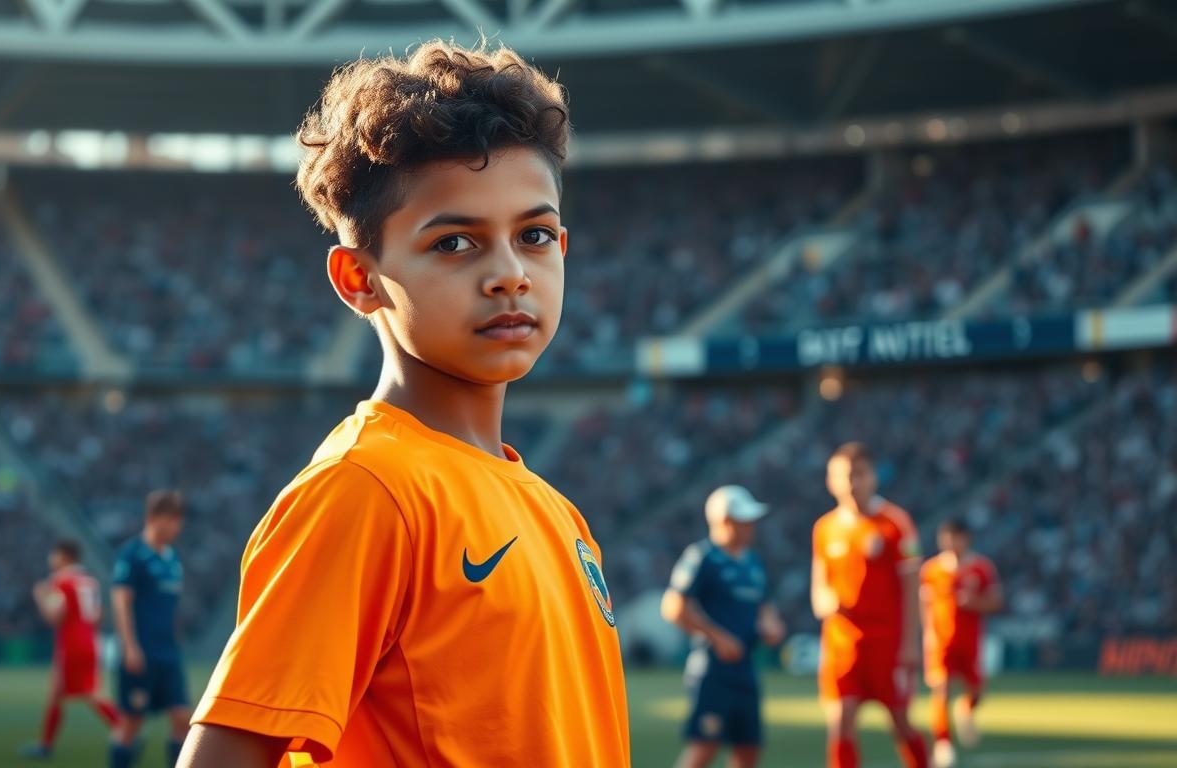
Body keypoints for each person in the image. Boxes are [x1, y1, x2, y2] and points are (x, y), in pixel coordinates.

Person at [179, 39, 630, 767]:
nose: (510, 274)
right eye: (455, 243)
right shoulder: (366, 490)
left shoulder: (554, 508)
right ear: (358, 278)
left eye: (535, 235)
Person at [811, 442, 928, 768]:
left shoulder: (895, 523)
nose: (851, 483)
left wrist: (909, 644)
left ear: (872, 477)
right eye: (843, 475)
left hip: (886, 643)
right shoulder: (824, 528)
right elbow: (819, 587)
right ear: (830, 481)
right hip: (842, 643)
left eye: (858, 474)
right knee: (841, 721)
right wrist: (825, 602)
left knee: (900, 722)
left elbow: (911, 586)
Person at [662, 485, 786, 768]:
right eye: (744, 520)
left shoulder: (753, 561)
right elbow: (673, 606)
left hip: (745, 671)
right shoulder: (702, 557)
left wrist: (771, 625)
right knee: (704, 748)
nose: (751, 526)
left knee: (748, 750)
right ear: (724, 520)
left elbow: (764, 607)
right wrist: (716, 637)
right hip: (712, 671)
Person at [109, 490, 188, 768]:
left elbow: (171, 608)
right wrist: (129, 646)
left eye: (179, 520)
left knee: (182, 718)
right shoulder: (133, 555)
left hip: (168, 653)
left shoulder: (172, 559)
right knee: (132, 722)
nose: (177, 527)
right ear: (153, 518)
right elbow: (121, 602)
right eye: (172, 520)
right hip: (141, 652)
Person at [22, 539, 120, 759]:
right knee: (77, 691)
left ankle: (124, 731)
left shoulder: (62, 581)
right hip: (91, 642)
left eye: (54, 554)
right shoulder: (89, 582)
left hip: (71, 643)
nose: (51, 559)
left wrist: (40, 597)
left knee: (81, 693)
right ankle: (46, 745)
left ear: (64, 556)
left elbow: (54, 615)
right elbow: (97, 615)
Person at [921, 518, 1002, 768]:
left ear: (965, 539)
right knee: (941, 691)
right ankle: (943, 744)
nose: (949, 543)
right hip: (940, 642)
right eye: (945, 537)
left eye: (954, 537)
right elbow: (923, 605)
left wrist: (974, 603)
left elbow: (996, 602)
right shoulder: (931, 570)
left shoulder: (981, 568)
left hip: (970, 641)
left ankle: (966, 709)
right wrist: (927, 633)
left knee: (977, 691)